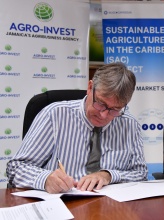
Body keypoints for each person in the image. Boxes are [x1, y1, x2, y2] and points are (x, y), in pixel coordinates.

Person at [6, 62, 148, 193]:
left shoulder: (129, 124)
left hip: (109, 208)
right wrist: (45, 179)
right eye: (100, 104)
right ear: (90, 87)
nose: (104, 115)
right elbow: (15, 168)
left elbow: (140, 173)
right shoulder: (55, 115)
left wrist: (108, 175)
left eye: (115, 109)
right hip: (60, 206)